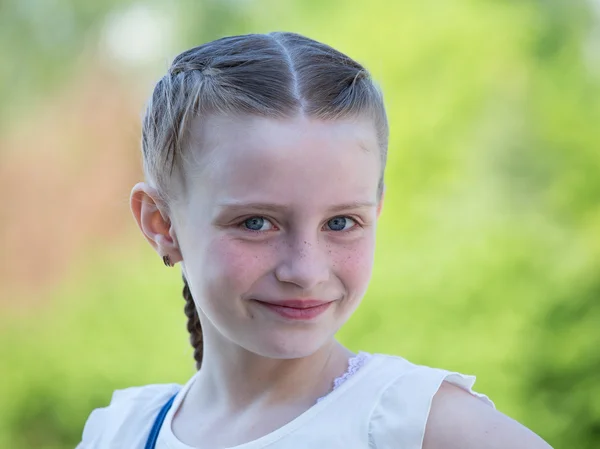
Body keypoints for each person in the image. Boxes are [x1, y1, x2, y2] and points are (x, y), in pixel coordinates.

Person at [77, 32, 552, 449]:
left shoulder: (421, 428)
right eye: (256, 223)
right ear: (161, 224)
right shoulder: (122, 432)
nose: (305, 271)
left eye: (341, 222)